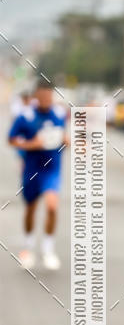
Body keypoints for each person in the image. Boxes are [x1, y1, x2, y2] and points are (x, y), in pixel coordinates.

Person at [8, 78, 69, 270]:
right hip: (32, 170)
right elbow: (11, 139)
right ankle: (28, 248)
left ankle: (48, 250)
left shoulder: (59, 114)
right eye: (42, 96)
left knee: (52, 206)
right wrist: (30, 144)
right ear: (36, 96)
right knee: (31, 208)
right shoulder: (25, 116)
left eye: (49, 96)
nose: (45, 100)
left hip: (51, 169)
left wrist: (66, 141)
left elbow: (63, 137)